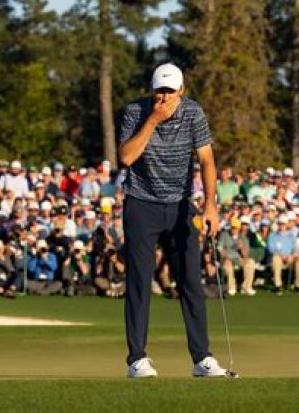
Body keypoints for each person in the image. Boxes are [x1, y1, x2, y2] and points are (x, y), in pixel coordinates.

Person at [117, 63, 227, 378]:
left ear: (181, 90)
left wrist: (210, 206)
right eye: (159, 91)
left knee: (190, 282)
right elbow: (126, 157)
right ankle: (137, 359)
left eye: (170, 91)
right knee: (139, 282)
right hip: (141, 204)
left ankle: (202, 358)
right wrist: (152, 120)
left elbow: (207, 160)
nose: (164, 97)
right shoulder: (136, 112)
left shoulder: (193, 113)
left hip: (180, 205)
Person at [268, 216, 299, 294]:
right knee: (275, 258)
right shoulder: (272, 235)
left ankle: (298, 286)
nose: (282, 226)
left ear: (287, 224)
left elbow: (296, 249)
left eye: (283, 224)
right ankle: (278, 286)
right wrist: (282, 256)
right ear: (278, 224)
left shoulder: (292, 235)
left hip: (290, 259)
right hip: (279, 259)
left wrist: (292, 256)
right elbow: (271, 249)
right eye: (280, 224)